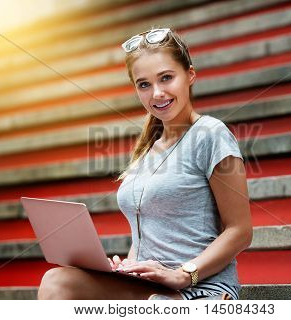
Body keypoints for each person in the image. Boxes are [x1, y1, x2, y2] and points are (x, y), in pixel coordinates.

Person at [37, 27, 252, 300]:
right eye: (144, 84)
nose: (157, 93)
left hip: (199, 289)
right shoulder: (147, 148)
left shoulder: (210, 134)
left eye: (166, 78)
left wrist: (184, 274)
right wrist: (128, 267)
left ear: (190, 75)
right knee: (58, 280)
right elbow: (148, 236)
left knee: (60, 285)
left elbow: (240, 231)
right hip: (152, 286)